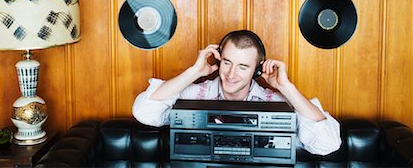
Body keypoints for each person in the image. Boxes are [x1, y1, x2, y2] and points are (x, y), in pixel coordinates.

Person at [132, 30, 342, 156]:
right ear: (218, 59)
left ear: (257, 69)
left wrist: (287, 88)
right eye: (227, 62)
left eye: (243, 66)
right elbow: (145, 112)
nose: (231, 74)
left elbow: (328, 144)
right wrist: (194, 72)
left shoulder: (277, 103)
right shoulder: (197, 94)